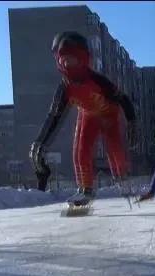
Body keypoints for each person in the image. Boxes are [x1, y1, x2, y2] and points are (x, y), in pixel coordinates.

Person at [30, 31, 136, 208]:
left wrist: (131, 121)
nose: (68, 65)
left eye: (72, 60)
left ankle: (122, 176)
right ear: (58, 61)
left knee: (114, 148)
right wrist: (40, 142)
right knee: (80, 150)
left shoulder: (98, 81)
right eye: (64, 61)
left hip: (108, 113)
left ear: (83, 59)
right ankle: (85, 188)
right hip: (88, 115)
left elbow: (123, 99)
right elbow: (53, 117)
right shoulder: (64, 88)